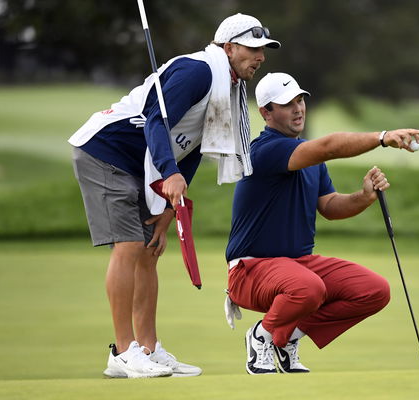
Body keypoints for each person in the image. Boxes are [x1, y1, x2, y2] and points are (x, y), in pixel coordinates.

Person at [68, 13, 280, 379]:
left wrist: (171, 206)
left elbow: (195, 148)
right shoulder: (197, 72)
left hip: (141, 163)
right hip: (105, 150)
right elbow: (155, 121)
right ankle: (122, 354)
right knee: (130, 246)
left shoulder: (228, 87)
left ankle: (148, 349)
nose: (259, 57)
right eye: (252, 48)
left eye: (263, 50)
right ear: (228, 47)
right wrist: (170, 174)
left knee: (149, 251)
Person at [224, 72, 419, 374]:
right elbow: (328, 146)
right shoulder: (266, 150)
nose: (298, 108)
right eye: (287, 104)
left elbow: (329, 206)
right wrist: (381, 138)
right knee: (308, 287)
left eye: (300, 100)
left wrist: (364, 196)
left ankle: (287, 337)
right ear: (266, 112)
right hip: (251, 269)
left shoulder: (309, 160)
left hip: (298, 265)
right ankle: (261, 336)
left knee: (373, 290)